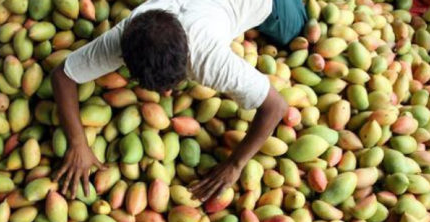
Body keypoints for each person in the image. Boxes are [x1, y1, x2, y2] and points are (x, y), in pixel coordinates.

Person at [51, 0, 307, 201]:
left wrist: (235, 164)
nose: (165, 96)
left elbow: (276, 107)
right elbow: (63, 76)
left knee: (297, 28)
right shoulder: (127, 34)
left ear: (188, 61)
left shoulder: (209, 59)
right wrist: (78, 144)